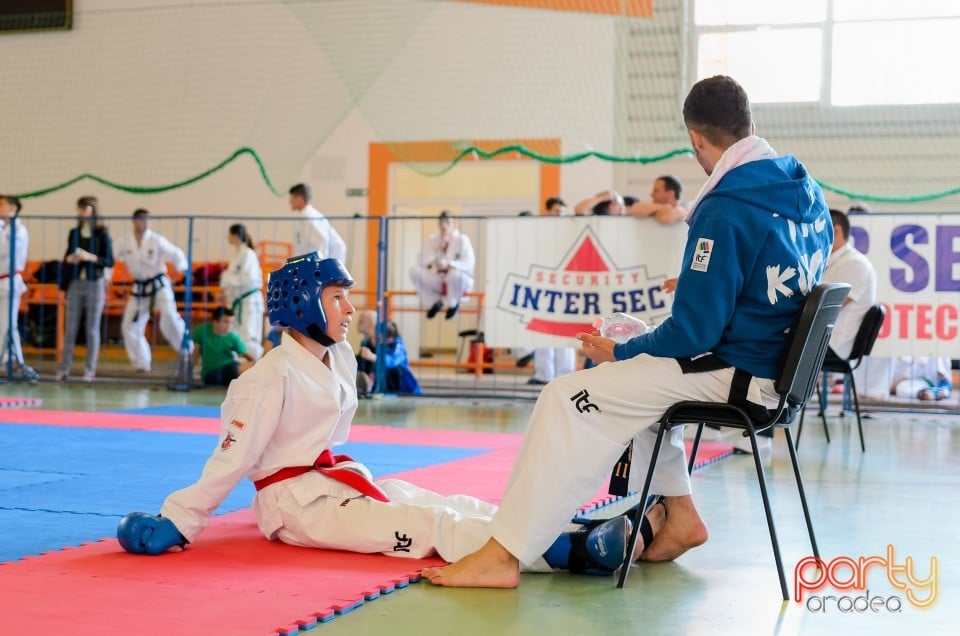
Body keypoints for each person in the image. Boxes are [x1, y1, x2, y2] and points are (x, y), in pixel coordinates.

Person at [421, 75, 833, 588]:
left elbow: (692, 334)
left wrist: (621, 349)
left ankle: (503, 556)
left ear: (697, 140)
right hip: (775, 374)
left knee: (564, 396)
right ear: (750, 123)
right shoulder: (806, 192)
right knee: (642, 393)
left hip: (738, 374)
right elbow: (779, 277)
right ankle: (679, 515)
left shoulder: (726, 205)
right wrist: (702, 281)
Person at [116, 254, 662, 580]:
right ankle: (571, 555)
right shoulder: (265, 378)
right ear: (304, 302)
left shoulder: (336, 358)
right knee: (424, 525)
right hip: (297, 509)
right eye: (336, 297)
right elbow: (229, 461)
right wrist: (178, 520)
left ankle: (573, 525)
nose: (351, 309)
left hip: (336, 483)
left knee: (443, 500)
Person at [115, 208, 189, 373]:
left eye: (148, 220)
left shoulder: (156, 239)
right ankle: (141, 363)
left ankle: (187, 351)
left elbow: (177, 255)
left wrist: (181, 269)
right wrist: (106, 276)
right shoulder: (124, 241)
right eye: (142, 220)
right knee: (129, 325)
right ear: (134, 221)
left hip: (159, 283)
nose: (145, 223)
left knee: (169, 317)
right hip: (139, 286)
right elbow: (110, 257)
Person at [57, 196, 115, 382]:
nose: (81, 212)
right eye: (79, 208)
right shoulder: (74, 232)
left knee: (92, 328)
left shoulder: (102, 234)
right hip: (75, 284)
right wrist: (70, 259)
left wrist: (89, 257)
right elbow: (67, 256)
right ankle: (64, 369)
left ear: (93, 210)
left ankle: (90, 370)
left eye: (84, 208)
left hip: (95, 283)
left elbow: (109, 260)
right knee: (71, 328)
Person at [528, 197, 577, 385]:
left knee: (565, 332)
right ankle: (543, 374)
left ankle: (565, 375)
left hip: (565, 287)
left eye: (563, 212)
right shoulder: (539, 234)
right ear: (547, 212)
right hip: (544, 285)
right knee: (543, 329)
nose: (560, 216)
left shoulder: (570, 234)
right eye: (557, 212)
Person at [821, 210, 877, 360]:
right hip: (825, 339)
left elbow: (826, 309)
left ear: (836, 230)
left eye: (819, 229)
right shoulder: (836, 261)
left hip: (834, 344)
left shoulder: (854, 263)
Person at [0, 194, 39, 382]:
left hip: (10, 281)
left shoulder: (19, 230)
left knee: (9, 324)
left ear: (13, 208)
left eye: (2, 205)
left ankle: (17, 362)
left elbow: (6, 252)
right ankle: (5, 361)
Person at [409, 210, 475, 319]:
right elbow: (420, 260)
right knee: (414, 271)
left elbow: (469, 263)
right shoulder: (433, 240)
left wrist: (449, 264)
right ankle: (435, 303)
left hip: (458, 281)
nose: (444, 226)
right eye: (442, 223)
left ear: (454, 224)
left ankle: (453, 305)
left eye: (448, 223)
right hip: (440, 279)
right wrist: (436, 252)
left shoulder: (462, 240)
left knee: (454, 275)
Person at [220, 224, 264, 360]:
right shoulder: (237, 255)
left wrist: (228, 279)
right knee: (236, 334)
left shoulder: (248, 254)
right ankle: (240, 366)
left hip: (250, 300)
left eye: (229, 234)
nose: (228, 237)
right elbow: (229, 278)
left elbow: (248, 278)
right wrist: (227, 291)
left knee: (249, 334)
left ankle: (255, 366)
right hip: (238, 300)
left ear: (235, 235)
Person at [356, 309, 421, 396]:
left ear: (389, 339)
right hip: (391, 391)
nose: (373, 340)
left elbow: (392, 362)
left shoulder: (398, 346)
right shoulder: (373, 345)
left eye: (377, 338)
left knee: (394, 369)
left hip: (407, 391)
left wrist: (373, 357)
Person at [191, 306, 255, 386]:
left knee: (235, 369)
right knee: (214, 379)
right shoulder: (201, 331)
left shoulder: (232, 337)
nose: (229, 325)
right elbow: (195, 354)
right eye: (226, 322)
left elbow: (250, 358)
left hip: (230, 368)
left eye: (231, 322)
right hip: (210, 372)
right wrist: (188, 374)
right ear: (215, 322)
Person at [288, 183, 347, 263]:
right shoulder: (305, 215)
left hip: (333, 256)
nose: (290, 202)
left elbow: (322, 240)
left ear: (299, 198)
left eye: (292, 198)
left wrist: (319, 264)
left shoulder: (309, 217)